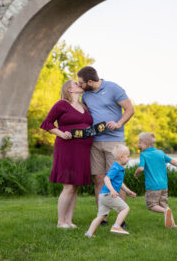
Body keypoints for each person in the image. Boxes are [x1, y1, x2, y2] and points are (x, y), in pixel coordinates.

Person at [77, 66, 134, 227]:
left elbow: (130, 109)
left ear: (89, 81)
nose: (79, 85)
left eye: (81, 83)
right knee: (98, 179)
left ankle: (121, 219)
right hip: (94, 141)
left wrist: (118, 123)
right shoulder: (86, 94)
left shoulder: (113, 88)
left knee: (116, 178)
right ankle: (103, 217)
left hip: (114, 142)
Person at [40, 80, 93, 228]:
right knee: (68, 186)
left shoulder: (84, 106)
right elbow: (47, 123)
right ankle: (60, 222)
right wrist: (61, 134)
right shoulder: (61, 104)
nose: (79, 84)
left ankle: (69, 220)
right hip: (67, 148)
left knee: (75, 186)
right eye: (76, 83)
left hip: (83, 150)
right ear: (69, 89)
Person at [134, 132, 177, 228]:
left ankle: (165, 212)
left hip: (153, 186)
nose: (138, 145)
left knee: (152, 205)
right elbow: (172, 161)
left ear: (146, 144)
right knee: (164, 204)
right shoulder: (160, 152)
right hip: (163, 185)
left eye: (140, 142)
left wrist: (136, 174)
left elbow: (141, 168)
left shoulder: (143, 154)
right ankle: (172, 224)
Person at [85, 144, 136, 238]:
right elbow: (106, 179)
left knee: (101, 216)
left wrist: (128, 191)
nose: (128, 159)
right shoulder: (116, 168)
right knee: (125, 208)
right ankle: (116, 226)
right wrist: (112, 190)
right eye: (127, 156)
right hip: (109, 195)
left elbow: (120, 183)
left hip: (103, 196)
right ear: (121, 157)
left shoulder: (118, 168)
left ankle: (89, 233)